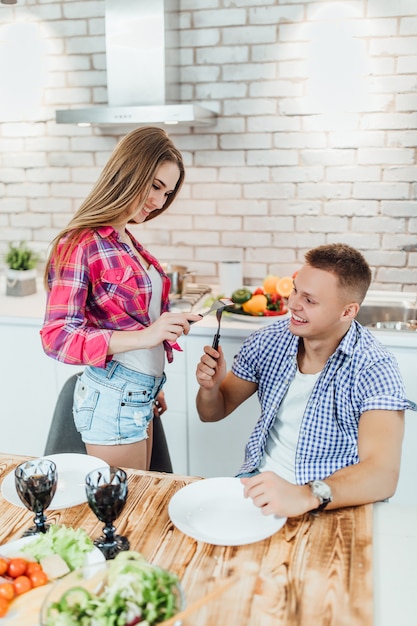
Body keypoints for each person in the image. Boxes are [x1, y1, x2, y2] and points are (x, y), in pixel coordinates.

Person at [196, 243, 416, 518]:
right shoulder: (268, 341)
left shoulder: (374, 367)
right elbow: (212, 412)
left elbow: (382, 475)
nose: (293, 304)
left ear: (348, 312)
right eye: (295, 290)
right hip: (260, 490)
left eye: (310, 300)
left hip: (331, 502)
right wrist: (210, 387)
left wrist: (306, 495)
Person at [41, 126, 201, 470]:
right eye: (156, 186)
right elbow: (57, 336)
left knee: (138, 505)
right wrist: (147, 336)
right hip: (113, 397)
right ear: (129, 171)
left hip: (138, 393)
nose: (159, 202)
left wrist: (150, 378)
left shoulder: (127, 239)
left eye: (167, 193)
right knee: (127, 512)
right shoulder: (81, 243)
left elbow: (136, 320)